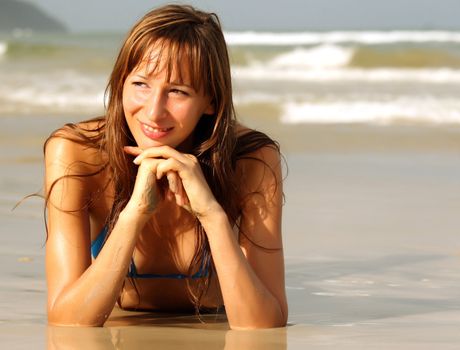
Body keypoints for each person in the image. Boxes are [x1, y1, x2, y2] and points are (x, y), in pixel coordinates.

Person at [43, 4, 287, 329]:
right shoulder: (78, 152)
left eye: (177, 91)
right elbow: (67, 321)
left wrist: (212, 215)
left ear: (212, 101)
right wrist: (134, 214)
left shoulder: (248, 160)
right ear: (121, 82)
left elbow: (261, 325)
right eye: (141, 84)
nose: (154, 111)